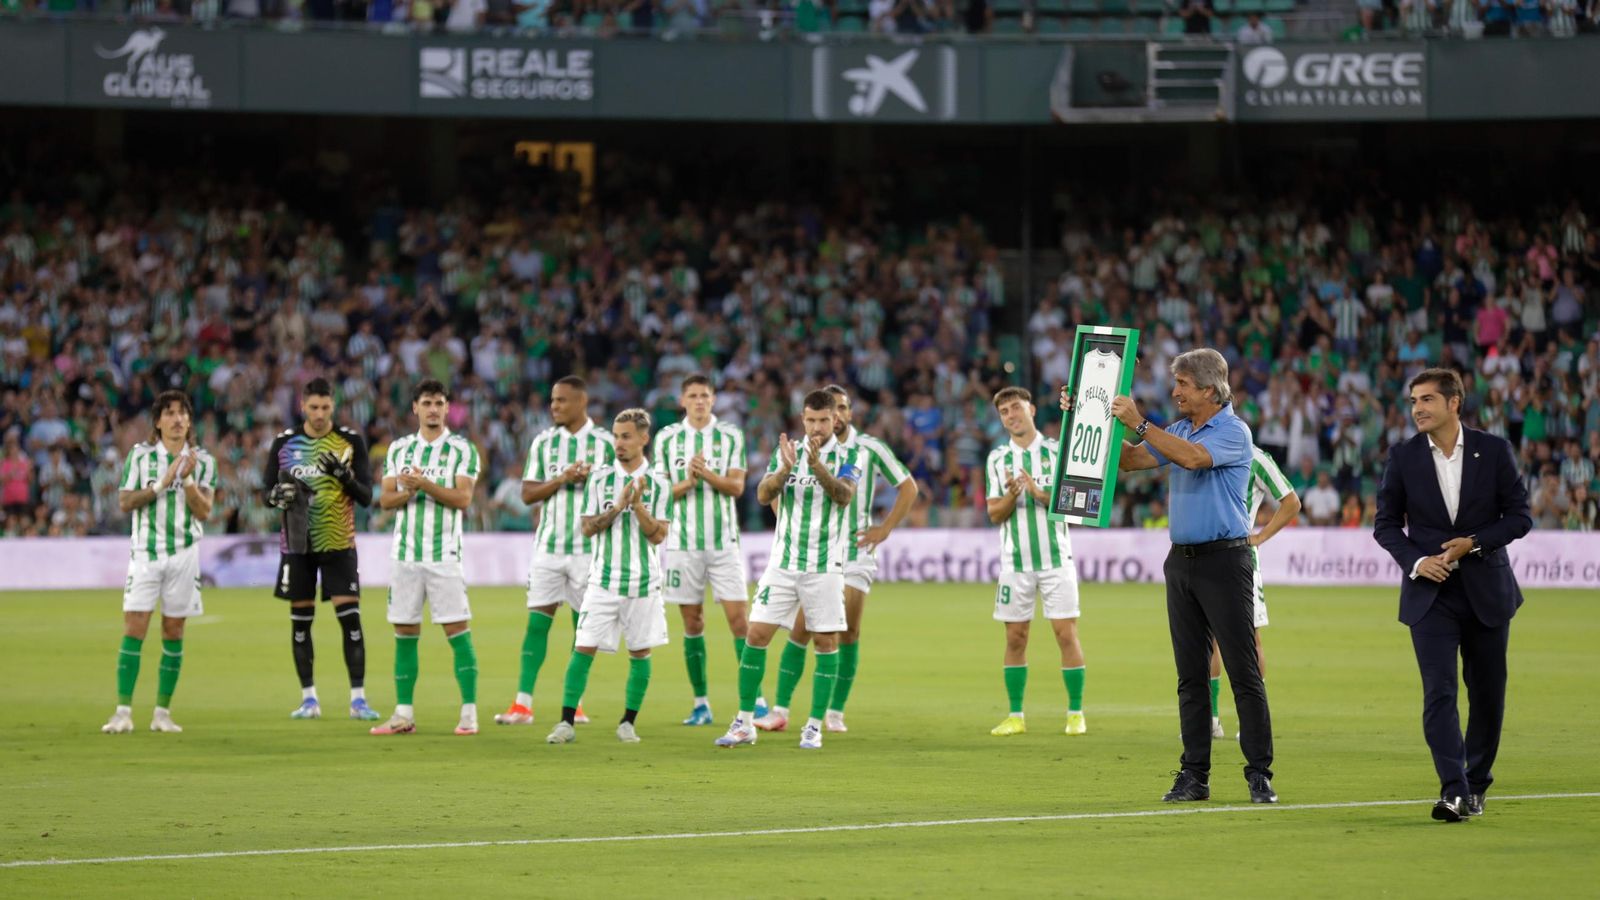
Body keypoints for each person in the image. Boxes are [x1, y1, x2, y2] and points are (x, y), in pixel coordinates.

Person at [1066, 348, 1277, 804]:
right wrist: (1084, 415)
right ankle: (1194, 775)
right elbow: (1131, 460)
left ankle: (1259, 773)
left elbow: (1194, 459)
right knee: (1190, 675)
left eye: (1183, 383)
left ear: (1209, 389)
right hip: (1181, 562)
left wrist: (1141, 423)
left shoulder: (1234, 432)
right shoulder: (1179, 429)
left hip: (1225, 561)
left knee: (1242, 671)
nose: (1175, 391)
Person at [1374, 368, 1531, 822]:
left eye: (1426, 399)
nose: (1417, 409)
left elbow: (1520, 517)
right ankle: (1454, 790)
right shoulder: (1403, 457)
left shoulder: (1495, 450)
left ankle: (1477, 783)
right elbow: (1385, 525)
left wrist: (1475, 543)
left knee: (1487, 695)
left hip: (1487, 591)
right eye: (1413, 401)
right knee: (1439, 692)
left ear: (1453, 403)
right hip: (1430, 594)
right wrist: (1418, 562)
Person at [755, 384, 918, 734]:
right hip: (814, 552)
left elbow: (909, 487)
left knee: (848, 632)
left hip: (855, 551)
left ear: (847, 413)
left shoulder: (868, 448)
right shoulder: (799, 450)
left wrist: (884, 528)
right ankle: (780, 709)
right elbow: (775, 490)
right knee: (801, 628)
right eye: (834, 410)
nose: (838, 415)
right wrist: (787, 520)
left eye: (843, 408)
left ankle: (835, 711)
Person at [714, 389, 860, 751]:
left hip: (824, 567)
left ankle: (813, 726)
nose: (816, 427)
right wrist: (784, 470)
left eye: (823, 420)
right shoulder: (788, 451)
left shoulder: (848, 455)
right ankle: (744, 722)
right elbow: (763, 495)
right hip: (782, 564)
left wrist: (816, 466)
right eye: (810, 420)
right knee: (756, 635)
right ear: (802, 418)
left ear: (834, 419)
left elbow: (844, 495)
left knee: (825, 643)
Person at [546, 409, 674, 745]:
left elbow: (659, 536)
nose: (618, 443)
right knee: (582, 647)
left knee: (640, 653)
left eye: (626, 436)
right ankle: (566, 722)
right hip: (602, 580)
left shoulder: (660, 482)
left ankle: (628, 723)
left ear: (644, 439)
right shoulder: (599, 478)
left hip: (643, 583)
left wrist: (639, 506)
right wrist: (617, 507)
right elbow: (588, 528)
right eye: (616, 436)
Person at [496, 376, 614, 726]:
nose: (554, 406)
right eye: (552, 400)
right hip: (548, 548)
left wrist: (591, 479)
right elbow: (528, 494)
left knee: (583, 629)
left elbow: (621, 491)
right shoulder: (544, 442)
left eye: (561, 400)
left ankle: (574, 704)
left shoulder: (606, 443)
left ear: (581, 402)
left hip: (588, 551)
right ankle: (522, 704)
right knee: (537, 623)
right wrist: (562, 478)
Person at [370, 380, 483, 737]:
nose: (433, 409)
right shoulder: (399, 449)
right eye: (427, 403)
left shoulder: (462, 450)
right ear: (415, 408)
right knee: (404, 631)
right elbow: (385, 500)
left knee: (457, 630)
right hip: (405, 556)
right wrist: (407, 490)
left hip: (443, 556)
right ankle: (403, 714)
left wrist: (424, 486)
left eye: (438, 403)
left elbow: (463, 499)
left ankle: (469, 713)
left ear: (447, 408)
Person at [263, 377, 377, 722]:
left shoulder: (350, 441)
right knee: (301, 623)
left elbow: (367, 497)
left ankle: (358, 700)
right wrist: (276, 496)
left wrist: (344, 475)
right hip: (297, 545)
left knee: (350, 620)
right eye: (313, 407)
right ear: (302, 406)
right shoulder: (284, 443)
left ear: (333, 405)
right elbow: (267, 494)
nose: (319, 414)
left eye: (325, 407)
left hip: (338, 542)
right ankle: (308, 699)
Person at [102, 391, 216, 735]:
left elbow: (204, 511)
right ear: (157, 421)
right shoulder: (140, 457)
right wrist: (160, 485)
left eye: (183, 413)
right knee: (135, 627)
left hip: (184, 554)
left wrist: (187, 479)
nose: (177, 419)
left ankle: (162, 714)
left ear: (190, 421)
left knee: (174, 630)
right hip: (146, 555)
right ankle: (123, 712)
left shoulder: (204, 461)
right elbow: (125, 502)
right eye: (169, 413)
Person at [652, 375, 758, 727]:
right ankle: (701, 704)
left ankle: (755, 701)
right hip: (682, 545)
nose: (699, 401)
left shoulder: (731, 436)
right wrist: (688, 482)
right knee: (692, 622)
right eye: (693, 395)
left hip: (724, 543)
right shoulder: (667, 438)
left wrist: (707, 475)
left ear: (714, 400)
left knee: (739, 621)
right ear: (682, 400)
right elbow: (658, 494)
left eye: (705, 395)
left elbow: (737, 487)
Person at [984, 387, 1087, 738]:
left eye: (1016, 407)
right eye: (1004, 412)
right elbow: (994, 513)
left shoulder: (1057, 451)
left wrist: (1038, 493)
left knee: (1065, 633)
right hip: (1015, 563)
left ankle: (1075, 713)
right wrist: (1012, 496)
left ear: (1031, 409)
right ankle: (1016, 715)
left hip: (1056, 559)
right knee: (1015, 637)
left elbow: (1072, 505)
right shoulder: (997, 459)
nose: (1011, 415)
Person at [1208, 444, 1300, 739]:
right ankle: (1210, 720)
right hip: (1203, 555)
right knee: (1208, 639)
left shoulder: (1256, 457)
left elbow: (1291, 501)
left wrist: (1260, 536)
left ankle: (1252, 722)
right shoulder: (1203, 449)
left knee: (1249, 637)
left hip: (1240, 557)